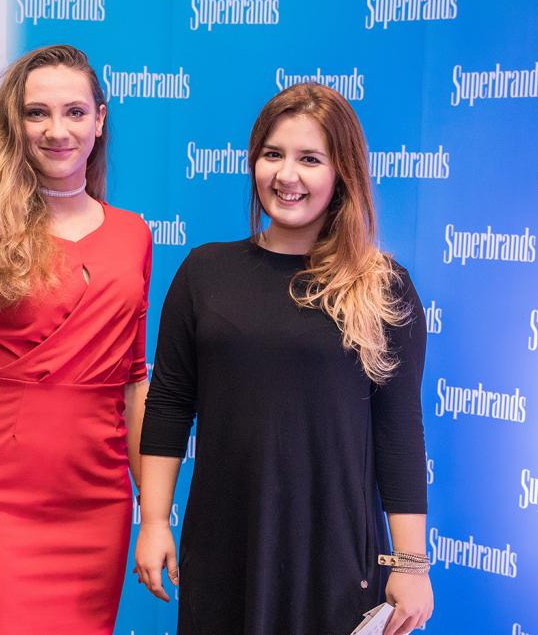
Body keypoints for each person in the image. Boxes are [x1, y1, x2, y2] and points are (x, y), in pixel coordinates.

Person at [134, 83, 433, 634]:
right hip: (223, 548)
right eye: (273, 154)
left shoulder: (382, 287)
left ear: (342, 173)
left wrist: (411, 565)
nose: (286, 175)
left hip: (336, 560)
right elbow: (170, 404)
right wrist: (153, 521)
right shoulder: (205, 273)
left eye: (309, 159)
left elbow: (398, 431)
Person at [0, 44, 152, 634]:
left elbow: (134, 383)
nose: (57, 130)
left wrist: (153, 515)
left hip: (97, 508)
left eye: (75, 112)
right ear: (14, 123)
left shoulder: (133, 235)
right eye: (36, 113)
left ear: (100, 120)